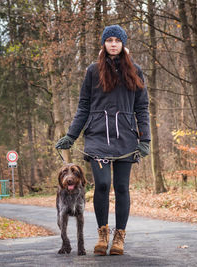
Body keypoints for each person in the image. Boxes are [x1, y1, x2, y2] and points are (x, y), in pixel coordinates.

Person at [55, 24, 150, 256]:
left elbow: (142, 107)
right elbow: (84, 107)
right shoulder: (92, 71)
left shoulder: (135, 71)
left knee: (121, 187)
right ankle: (102, 234)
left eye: (117, 40)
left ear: (123, 44)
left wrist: (144, 138)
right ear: (104, 44)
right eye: (109, 40)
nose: (113, 44)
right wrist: (71, 135)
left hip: (126, 139)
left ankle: (119, 237)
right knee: (103, 185)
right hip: (97, 138)